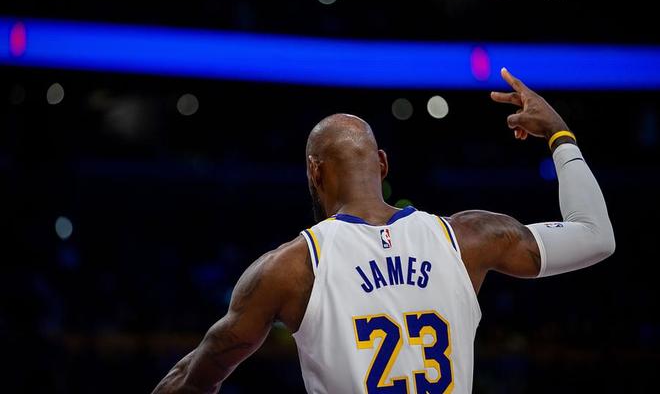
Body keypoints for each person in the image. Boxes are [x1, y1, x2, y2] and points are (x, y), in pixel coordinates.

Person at [152, 68, 615, 393]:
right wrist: (560, 135)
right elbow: (595, 235)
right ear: (382, 164)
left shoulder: (290, 268)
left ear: (314, 171)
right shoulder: (467, 239)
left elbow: (197, 377)